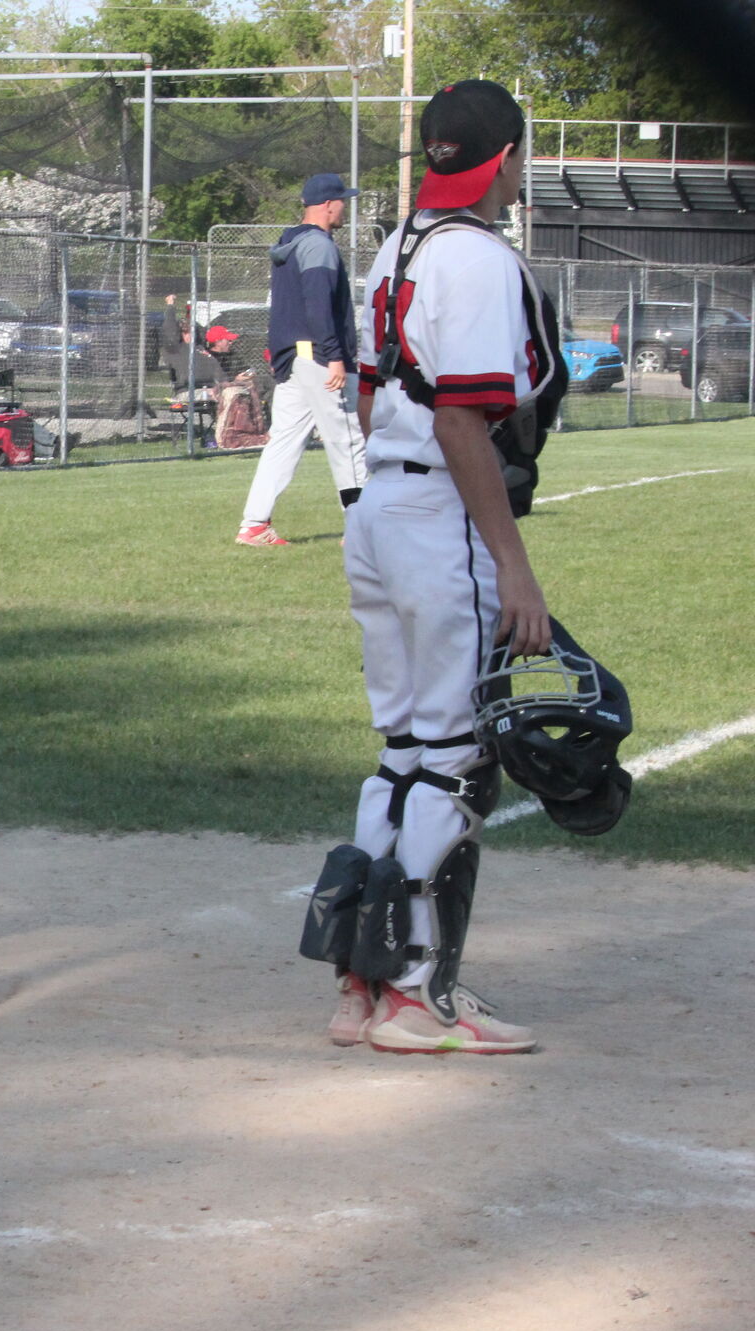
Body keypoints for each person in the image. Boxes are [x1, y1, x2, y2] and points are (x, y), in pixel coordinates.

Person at [318, 80, 556, 1054]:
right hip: (431, 513)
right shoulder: (477, 257)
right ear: (505, 159)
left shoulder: (397, 242)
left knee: (404, 751)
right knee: (456, 759)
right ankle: (419, 997)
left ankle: (359, 986)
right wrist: (512, 566)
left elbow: (374, 403)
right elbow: (461, 415)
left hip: (376, 506)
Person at [236, 172, 368, 547]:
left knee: (284, 443)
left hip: (294, 360)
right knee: (349, 442)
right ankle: (359, 528)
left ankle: (254, 525)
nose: (346, 206)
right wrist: (335, 356)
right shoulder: (318, 246)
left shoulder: (290, 243)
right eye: (343, 200)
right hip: (319, 358)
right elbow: (318, 306)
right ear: (328, 205)